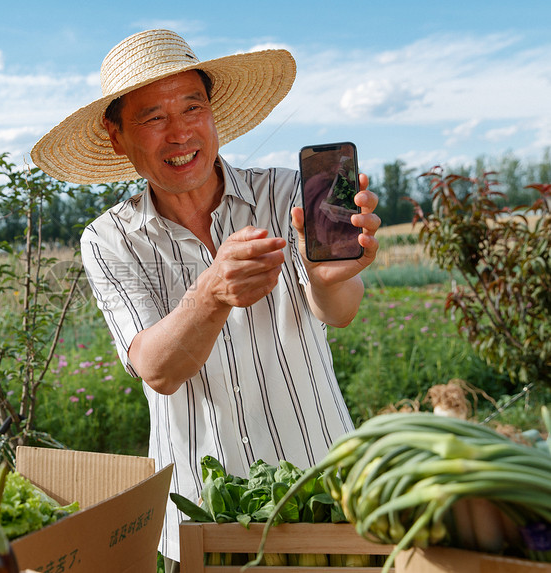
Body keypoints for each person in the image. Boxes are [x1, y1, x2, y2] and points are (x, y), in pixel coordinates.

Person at [30, 29, 381, 570]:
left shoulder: (285, 193)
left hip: (325, 491)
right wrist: (212, 291)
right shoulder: (110, 239)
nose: (180, 134)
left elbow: (340, 312)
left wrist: (330, 277)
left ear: (212, 114)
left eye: (192, 107)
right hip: (205, 520)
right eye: (153, 117)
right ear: (117, 135)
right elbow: (157, 369)